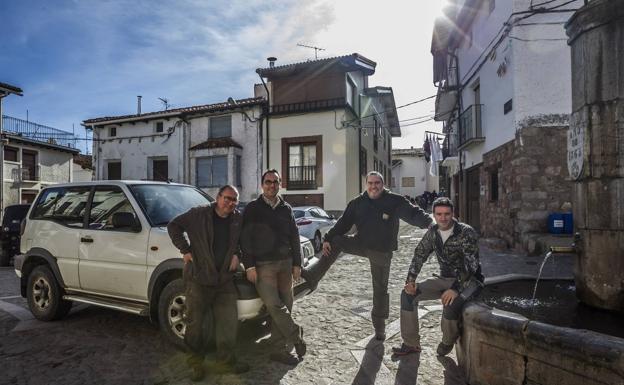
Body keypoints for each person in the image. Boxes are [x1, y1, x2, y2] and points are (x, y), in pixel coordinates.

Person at [302, 171, 432, 340]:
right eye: (370, 183)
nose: (373, 186)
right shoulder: (358, 203)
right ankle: (313, 276)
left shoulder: (394, 201)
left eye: (377, 183)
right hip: (361, 243)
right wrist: (327, 238)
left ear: (382, 184)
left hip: (381, 251)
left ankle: (379, 326)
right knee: (337, 241)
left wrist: (429, 222)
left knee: (380, 290)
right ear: (366, 184)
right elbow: (343, 223)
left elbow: (413, 213)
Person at [167, 185, 249, 381]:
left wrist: (237, 254)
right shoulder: (199, 214)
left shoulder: (237, 218)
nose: (230, 203)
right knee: (195, 326)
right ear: (218, 197)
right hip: (199, 278)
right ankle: (196, 365)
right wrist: (185, 250)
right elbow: (173, 226)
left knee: (228, 324)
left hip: (224, 279)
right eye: (227, 198)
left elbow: (241, 242)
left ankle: (226, 363)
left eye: (234, 200)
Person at [392, 197, 483, 357]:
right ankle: (411, 344)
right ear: (433, 214)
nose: (443, 218)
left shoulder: (466, 232)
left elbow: (471, 266)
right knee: (407, 295)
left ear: (453, 214)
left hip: (469, 281)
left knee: (450, 304)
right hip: (444, 278)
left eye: (447, 214)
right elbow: (420, 254)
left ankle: (448, 341)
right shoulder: (433, 231)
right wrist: (410, 281)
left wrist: (455, 290)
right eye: (439, 214)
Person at [241, 169, 306, 365]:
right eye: (268, 182)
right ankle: (296, 335)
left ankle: (278, 348)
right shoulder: (253, 208)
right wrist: (250, 266)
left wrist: (297, 263)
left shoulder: (286, 208)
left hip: (286, 265)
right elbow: (246, 239)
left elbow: (294, 237)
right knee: (275, 306)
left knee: (287, 304)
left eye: (275, 182)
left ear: (280, 184)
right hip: (263, 266)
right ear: (262, 184)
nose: (271, 185)